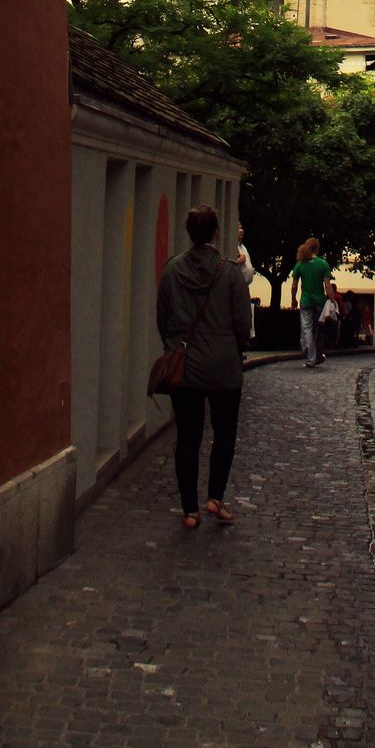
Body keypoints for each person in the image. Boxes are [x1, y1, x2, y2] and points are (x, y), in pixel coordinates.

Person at [156, 204, 252, 530]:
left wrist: (175, 348)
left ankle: (189, 510)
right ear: (215, 232)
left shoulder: (172, 270)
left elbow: (163, 319)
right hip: (224, 366)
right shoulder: (229, 274)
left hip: (186, 368)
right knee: (224, 433)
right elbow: (242, 322)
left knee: (188, 437)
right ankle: (215, 497)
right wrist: (237, 350)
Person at [290, 236, 332, 368]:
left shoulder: (300, 264)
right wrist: (332, 300)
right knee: (318, 330)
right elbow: (328, 286)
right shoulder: (323, 264)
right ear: (317, 249)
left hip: (306, 301)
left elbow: (294, 286)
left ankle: (310, 354)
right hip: (319, 302)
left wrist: (293, 299)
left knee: (306, 328)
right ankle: (318, 354)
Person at [235, 222, 255, 343]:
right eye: (238, 228)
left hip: (244, 285)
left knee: (247, 313)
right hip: (238, 285)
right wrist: (239, 260)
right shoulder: (233, 246)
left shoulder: (243, 247)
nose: (241, 230)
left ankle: (246, 337)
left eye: (242, 227)